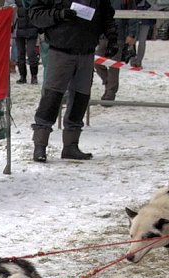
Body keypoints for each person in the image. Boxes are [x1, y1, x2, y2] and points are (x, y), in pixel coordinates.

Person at [28, 0, 117, 162]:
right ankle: (40, 144)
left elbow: (106, 14)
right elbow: (35, 15)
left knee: (81, 98)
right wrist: (59, 15)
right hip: (60, 48)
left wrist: (112, 36)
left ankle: (71, 145)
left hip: (86, 50)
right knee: (52, 97)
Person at [94, 0, 137, 102]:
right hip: (103, 35)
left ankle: (110, 94)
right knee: (97, 63)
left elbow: (133, 15)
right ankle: (109, 84)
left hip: (119, 35)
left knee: (114, 66)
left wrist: (131, 34)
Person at [14, 0, 39, 84]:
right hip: (19, 29)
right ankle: (22, 76)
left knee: (31, 53)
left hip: (32, 28)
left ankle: (34, 76)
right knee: (20, 54)